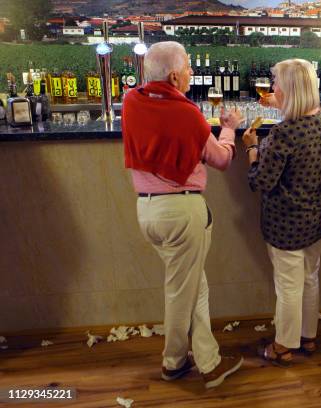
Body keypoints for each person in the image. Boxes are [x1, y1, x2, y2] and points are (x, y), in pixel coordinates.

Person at [122, 41, 244, 388]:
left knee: (193, 288)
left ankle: (209, 359)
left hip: (146, 211)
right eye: (188, 67)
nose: (192, 73)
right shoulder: (187, 112)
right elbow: (221, 159)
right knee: (181, 292)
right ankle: (174, 363)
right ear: (175, 75)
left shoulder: (131, 101)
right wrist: (229, 128)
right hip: (181, 212)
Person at [243, 59, 321, 367]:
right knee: (310, 277)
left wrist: (251, 150)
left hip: (287, 223)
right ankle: (307, 337)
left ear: (290, 90)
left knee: (288, 287)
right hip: (318, 218)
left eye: (276, 85)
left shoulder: (285, 132)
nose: (272, 89)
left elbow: (261, 181)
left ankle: (282, 346)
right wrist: (278, 103)